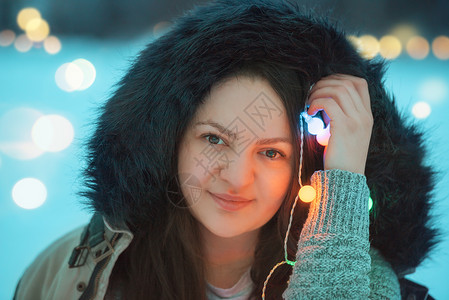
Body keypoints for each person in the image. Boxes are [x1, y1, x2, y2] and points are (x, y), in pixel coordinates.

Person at [14, 0, 438, 299]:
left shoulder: (366, 285)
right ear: (168, 139)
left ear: (307, 166)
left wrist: (344, 174)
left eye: (272, 153)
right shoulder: (73, 273)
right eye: (214, 139)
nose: (236, 177)